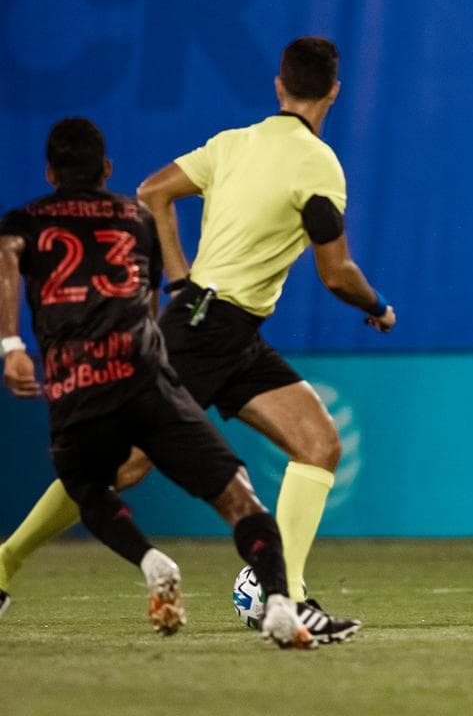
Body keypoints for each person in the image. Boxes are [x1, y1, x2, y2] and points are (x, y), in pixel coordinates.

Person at [0, 37, 392, 643]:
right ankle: (6, 560)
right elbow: (336, 272)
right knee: (122, 469)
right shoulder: (320, 164)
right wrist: (379, 307)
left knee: (318, 444)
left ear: (279, 86)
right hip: (205, 331)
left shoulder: (234, 143)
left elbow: (152, 193)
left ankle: (281, 591)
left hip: (230, 329)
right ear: (334, 91)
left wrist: (181, 277)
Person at [0, 117, 314, 647]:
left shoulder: (25, 221)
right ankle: (282, 605)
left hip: (81, 385)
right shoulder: (135, 217)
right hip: (148, 377)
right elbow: (153, 297)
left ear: (49, 172)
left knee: (90, 488)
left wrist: (11, 346)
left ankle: (150, 559)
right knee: (241, 498)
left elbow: (7, 257)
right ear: (107, 169)